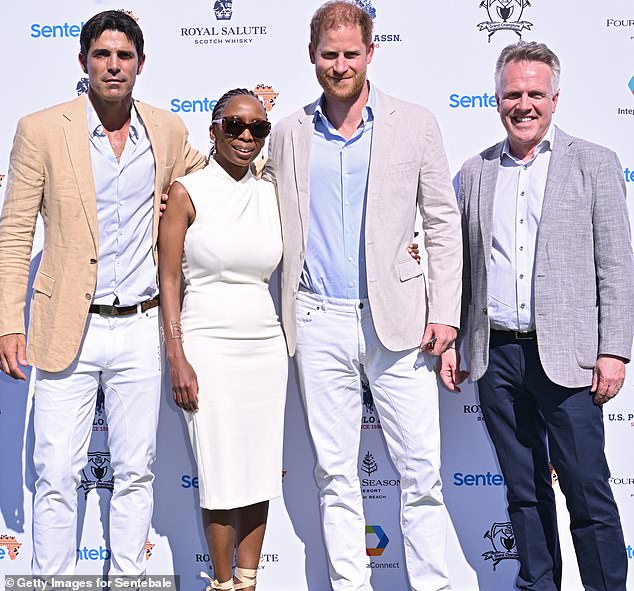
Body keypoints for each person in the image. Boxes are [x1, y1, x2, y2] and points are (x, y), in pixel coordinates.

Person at [0, 10, 205, 576]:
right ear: (83, 60)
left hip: (141, 326)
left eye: (124, 56)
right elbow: (16, 230)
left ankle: (130, 580)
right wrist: (7, 323)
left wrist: (263, 161)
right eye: (102, 55)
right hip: (68, 324)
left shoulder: (166, 130)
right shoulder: (40, 129)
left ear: (141, 63)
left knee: (136, 471)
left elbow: (214, 180)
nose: (114, 66)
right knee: (56, 471)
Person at [265, 2, 462, 589]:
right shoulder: (288, 131)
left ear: (371, 53)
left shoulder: (415, 122)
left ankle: (431, 584)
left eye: (352, 53)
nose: (341, 64)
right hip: (317, 318)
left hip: (398, 322)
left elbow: (442, 223)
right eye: (330, 54)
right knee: (334, 474)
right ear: (312, 56)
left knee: (422, 472)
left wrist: (445, 312)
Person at [443, 41, 634, 591]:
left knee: (587, 488)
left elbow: (616, 266)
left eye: (534, 93)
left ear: (555, 99)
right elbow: (461, 266)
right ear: (496, 98)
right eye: (511, 94)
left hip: (570, 357)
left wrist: (614, 349)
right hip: (497, 354)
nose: (522, 104)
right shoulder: (475, 171)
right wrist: (453, 337)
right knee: (523, 491)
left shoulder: (595, 162)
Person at [158, 89, 285, 591]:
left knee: (258, 471)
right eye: (234, 125)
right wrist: (176, 355)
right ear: (212, 130)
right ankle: (222, 581)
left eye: (258, 128)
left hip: (265, 345)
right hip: (206, 344)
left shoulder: (273, 190)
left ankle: (249, 582)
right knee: (219, 471)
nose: (246, 136)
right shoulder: (187, 192)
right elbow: (169, 280)